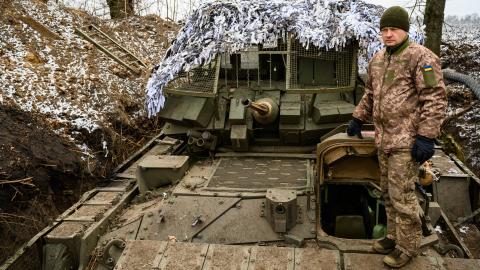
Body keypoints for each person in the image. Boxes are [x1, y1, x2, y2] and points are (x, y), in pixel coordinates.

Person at [346, 6, 447, 268]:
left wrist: (426, 137)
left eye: (394, 29)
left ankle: (408, 248)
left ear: (405, 30)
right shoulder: (378, 58)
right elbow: (370, 94)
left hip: (407, 142)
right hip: (384, 140)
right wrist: (358, 117)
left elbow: (435, 99)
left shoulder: (422, 58)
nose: (388, 34)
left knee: (403, 197)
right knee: (388, 195)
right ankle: (392, 237)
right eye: (384, 30)